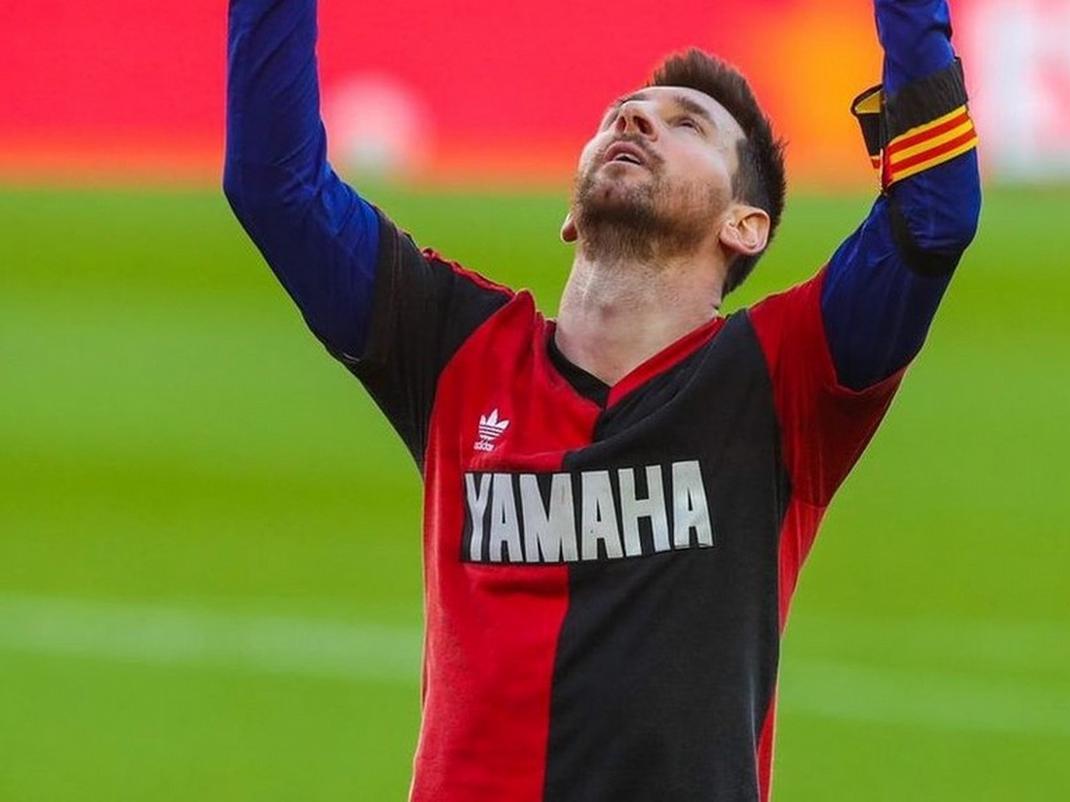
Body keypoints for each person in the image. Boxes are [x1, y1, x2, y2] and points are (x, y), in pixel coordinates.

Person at [224, 0, 981, 799]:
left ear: (746, 226)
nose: (636, 120)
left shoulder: (783, 375)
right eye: (623, 113)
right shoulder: (454, 350)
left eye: (686, 125)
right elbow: (275, 188)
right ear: (571, 214)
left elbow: (934, 215)